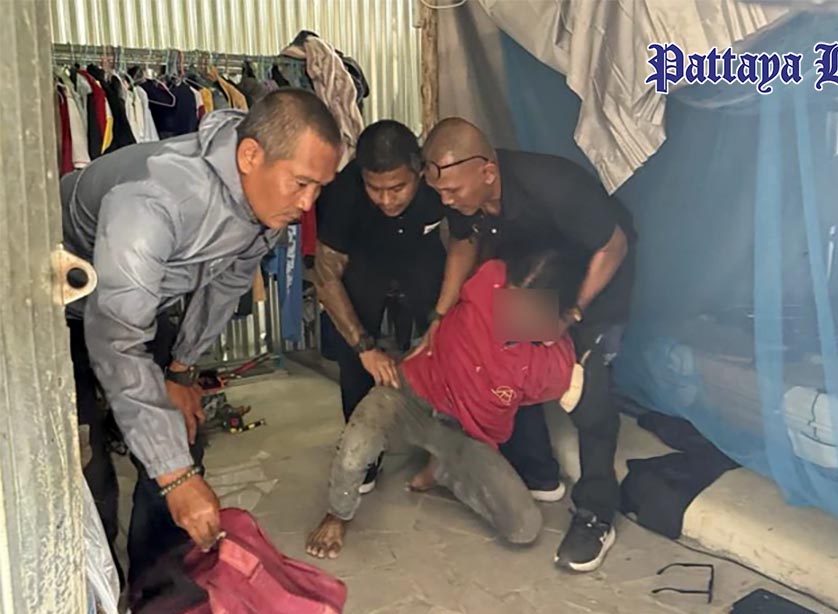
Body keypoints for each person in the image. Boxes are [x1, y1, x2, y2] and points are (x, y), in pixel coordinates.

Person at [62, 89, 342, 587]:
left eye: (318, 188)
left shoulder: (263, 201)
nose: (307, 204)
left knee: (182, 436)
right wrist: (175, 478)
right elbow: (116, 339)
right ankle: (98, 600)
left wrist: (181, 371)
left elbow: (227, 283)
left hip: (140, 304)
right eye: (301, 183)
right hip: (56, 311)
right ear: (250, 156)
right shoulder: (154, 199)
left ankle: (157, 597)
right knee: (85, 467)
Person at [420, 117, 635, 573]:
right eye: (439, 192)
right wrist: (440, 315)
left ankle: (596, 513)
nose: (446, 201)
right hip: (532, 282)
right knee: (513, 357)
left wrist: (571, 314)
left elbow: (613, 247)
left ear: (487, 172)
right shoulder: (463, 196)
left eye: (452, 191)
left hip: (592, 281)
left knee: (589, 394)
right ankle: (539, 472)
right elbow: (462, 243)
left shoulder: (555, 185)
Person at [305, 244, 589, 559]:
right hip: (413, 392)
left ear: (556, 315)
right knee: (356, 443)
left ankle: (443, 469)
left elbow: (546, 388)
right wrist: (437, 324)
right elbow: (463, 250)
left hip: (466, 435)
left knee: (524, 528)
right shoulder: (490, 277)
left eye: (527, 307)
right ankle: (337, 515)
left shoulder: (552, 364)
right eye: (510, 294)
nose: (509, 309)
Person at [309, 120, 446, 492]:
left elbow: (463, 243)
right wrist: (364, 348)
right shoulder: (343, 192)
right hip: (363, 271)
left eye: (397, 188)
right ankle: (364, 459)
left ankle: (443, 452)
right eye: (375, 188)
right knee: (355, 365)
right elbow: (326, 275)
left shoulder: (438, 182)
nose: (386, 200)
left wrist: (442, 317)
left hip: (423, 269)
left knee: (445, 355)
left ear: (419, 170)